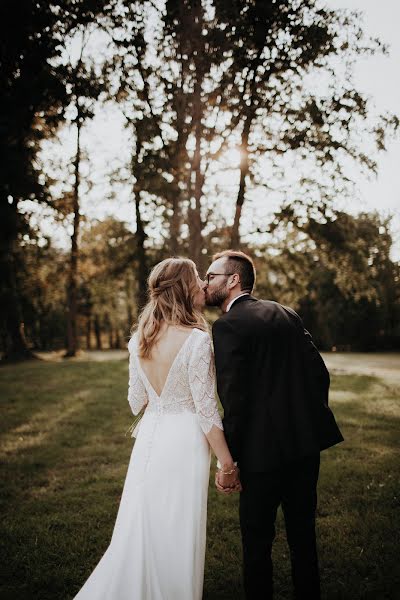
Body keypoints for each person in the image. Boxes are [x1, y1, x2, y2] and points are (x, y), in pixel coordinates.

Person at [73, 257, 239, 600]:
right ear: (183, 288)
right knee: (178, 527)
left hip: (150, 437)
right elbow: (207, 412)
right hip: (184, 442)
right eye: (196, 279)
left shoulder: (140, 340)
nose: (202, 286)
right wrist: (227, 464)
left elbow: (136, 400)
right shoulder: (197, 340)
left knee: (143, 523)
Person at [206, 250, 344, 600]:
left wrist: (231, 460)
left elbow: (234, 399)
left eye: (211, 276)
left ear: (233, 280)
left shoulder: (226, 326)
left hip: (260, 455)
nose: (206, 282)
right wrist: (306, 421)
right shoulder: (286, 313)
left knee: (256, 542)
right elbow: (319, 374)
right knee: (303, 537)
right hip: (304, 448)